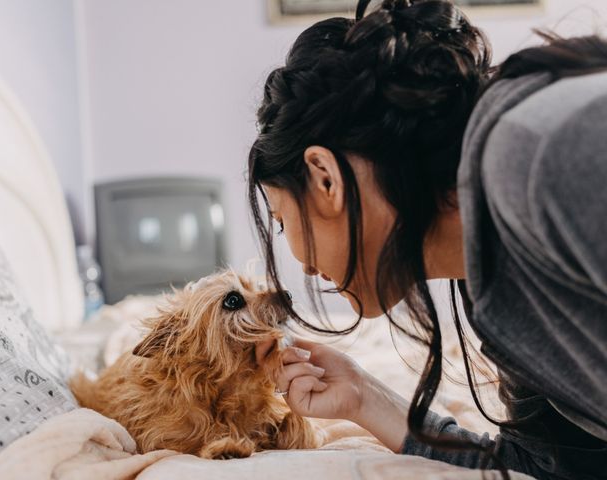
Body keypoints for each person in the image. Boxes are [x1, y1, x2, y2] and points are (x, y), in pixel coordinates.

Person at [247, 1, 607, 479]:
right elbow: (547, 467)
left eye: (280, 219)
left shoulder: (541, 152)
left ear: (325, 178)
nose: (304, 267)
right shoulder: (491, 283)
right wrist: (363, 397)